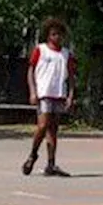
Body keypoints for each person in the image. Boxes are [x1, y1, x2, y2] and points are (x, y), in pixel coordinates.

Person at [22, 18, 76, 177]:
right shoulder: (41, 50)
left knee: (53, 129)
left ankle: (51, 164)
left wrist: (70, 96)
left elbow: (71, 77)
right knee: (43, 125)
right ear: (48, 35)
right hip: (44, 93)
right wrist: (33, 91)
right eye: (54, 34)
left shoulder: (66, 54)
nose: (57, 37)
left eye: (59, 34)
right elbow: (31, 71)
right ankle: (33, 154)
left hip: (58, 94)